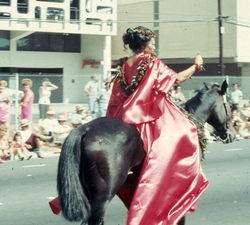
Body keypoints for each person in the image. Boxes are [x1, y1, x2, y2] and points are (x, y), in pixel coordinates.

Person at [106, 26, 208, 225]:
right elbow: (177, 79)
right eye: (152, 42)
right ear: (144, 44)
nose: (154, 45)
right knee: (187, 130)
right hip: (146, 113)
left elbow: (118, 94)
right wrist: (196, 66)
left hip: (125, 113)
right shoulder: (150, 62)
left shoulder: (125, 64)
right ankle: (173, 178)